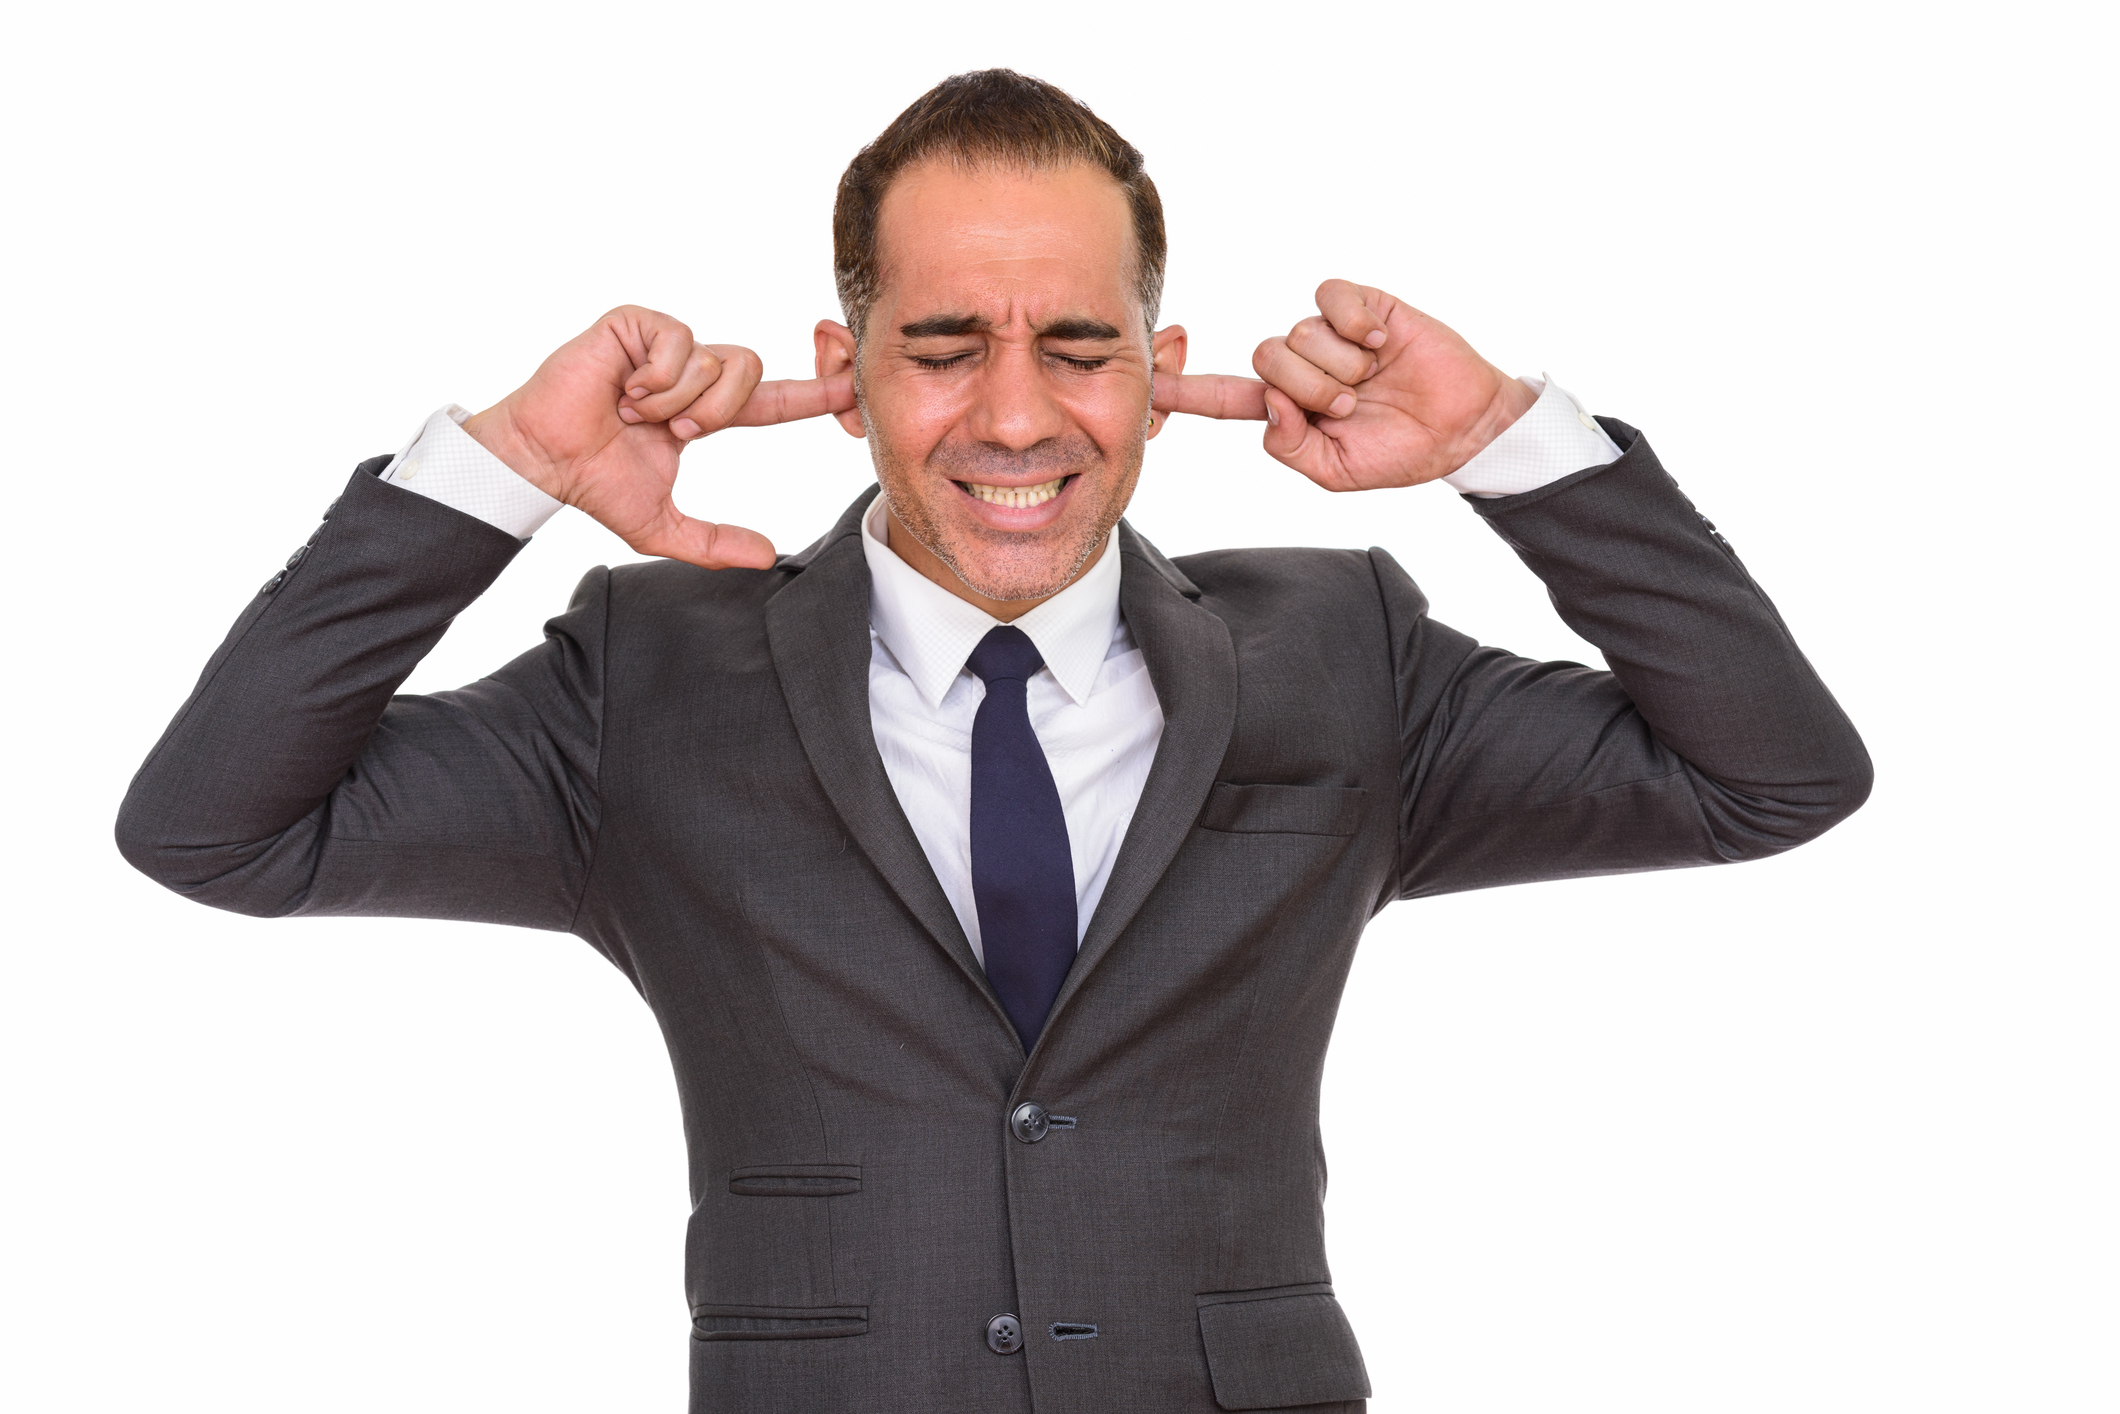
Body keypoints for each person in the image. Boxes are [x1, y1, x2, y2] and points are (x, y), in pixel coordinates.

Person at [116, 69, 1870, 1414]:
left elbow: (1769, 774)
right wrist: (503, 469)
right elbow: (220, 828)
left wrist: (1501, 438)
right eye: (944, 348)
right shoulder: (644, 677)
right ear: (847, 362)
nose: (1017, 414)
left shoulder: (1344, 647)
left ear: (1160, 364)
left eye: (1080, 349)